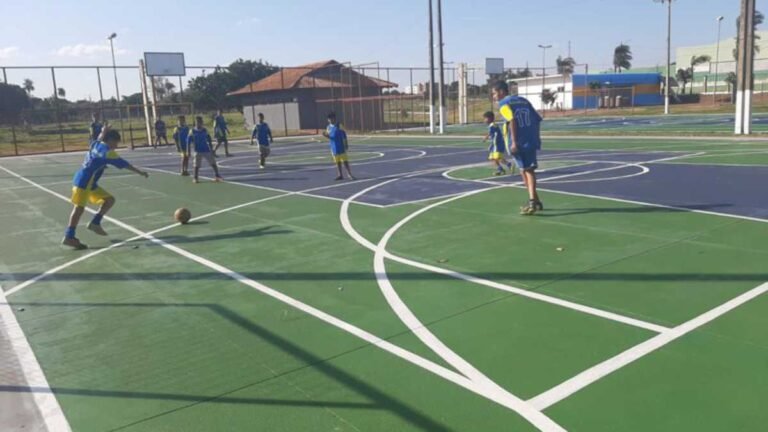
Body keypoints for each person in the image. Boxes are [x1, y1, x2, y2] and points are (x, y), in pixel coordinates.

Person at [63, 126, 149, 250]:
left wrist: (103, 131)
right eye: (116, 142)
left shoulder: (96, 143)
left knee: (109, 200)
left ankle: (95, 223)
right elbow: (124, 164)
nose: (116, 146)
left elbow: (99, 138)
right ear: (110, 140)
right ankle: (69, 236)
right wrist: (140, 172)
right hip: (85, 182)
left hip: (87, 181)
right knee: (79, 209)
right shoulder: (108, 152)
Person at [492, 81, 543, 215]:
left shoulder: (504, 104)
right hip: (530, 139)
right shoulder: (524, 101)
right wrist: (536, 137)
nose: (494, 96)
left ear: (502, 92)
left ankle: (532, 201)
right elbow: (538, 119)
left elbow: (512, 120)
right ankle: (535, 200)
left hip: (519, 142)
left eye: (494, 93)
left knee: (527, 170)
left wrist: (514, 142)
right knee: (524, 170)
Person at [189, 115, 223, 183]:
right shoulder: (192, 131)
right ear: (195, 123)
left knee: (213, 163)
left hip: (206, 149)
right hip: (197, 150)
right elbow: (189, 140)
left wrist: (211, 149)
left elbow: (209, 138)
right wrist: (188, 150)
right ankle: (195, 178)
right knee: (196, 165)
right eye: (197, 122)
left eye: (200, 122)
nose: (199, 123)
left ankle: (217, 175)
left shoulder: (204, 130)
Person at [322, 113, 354, 181]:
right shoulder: (328, 127)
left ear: (335, 118)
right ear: (328, 120)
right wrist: (325, 136)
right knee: (337, 162)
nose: (330, 120)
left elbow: (344, 135)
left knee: (345, 161)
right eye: (329, 119)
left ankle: (349, 174)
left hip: (341, 146)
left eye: (332, 118)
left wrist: (346, 144)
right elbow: (330, 137)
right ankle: (340, 175)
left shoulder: (339, 125)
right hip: (334, 147)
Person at [482, 111, 513, 176]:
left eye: (485, 118)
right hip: (494, 144)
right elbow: (491, 133)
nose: (484, 120)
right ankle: (500, 169)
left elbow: (494, 134)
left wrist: (487, 138)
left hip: (497, 144)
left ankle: (509, 165)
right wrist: (487, 138)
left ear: (490, 118)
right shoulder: (491, 126)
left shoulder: (493, 125)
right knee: (492, 158)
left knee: (498, 158)